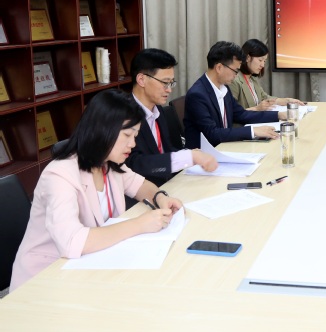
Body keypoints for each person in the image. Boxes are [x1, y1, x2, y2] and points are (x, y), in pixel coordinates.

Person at [10, 89, 184, 292]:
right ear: (103, 129)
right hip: (44, 278)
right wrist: (139, 225)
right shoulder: (60, 175)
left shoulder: (108, 162)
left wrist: (160, 197)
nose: (133, 143)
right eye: (127, 135)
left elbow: (140, 186)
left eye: (135, 135)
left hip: (90, 267)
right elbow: (72, 241)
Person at [126, 48, 218, 187]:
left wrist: (190, 155)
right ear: (141, 80)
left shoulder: (158, 110)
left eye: (171, 83)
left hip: (169, 184)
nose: (169, 89)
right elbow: (134, 164)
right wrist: (187, 157)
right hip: (143, 191)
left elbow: (167, 150)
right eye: (165, 83)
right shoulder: (123, 115)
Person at [184, 41, 286, 149]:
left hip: (226, 146)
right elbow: (212, 134)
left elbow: (241, 114)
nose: (236, 75)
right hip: (206, 153)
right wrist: (253, 131)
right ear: (219, 68)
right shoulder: (197, 95)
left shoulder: (224, 88)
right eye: (235, 71)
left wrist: (278, 115)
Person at [228, 39, 306, 111]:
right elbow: (231, 113)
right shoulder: (234, 80)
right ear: (248, 58)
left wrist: (288, 101)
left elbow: (266, 98)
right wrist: (257, 108)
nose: (262, 65)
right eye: (260, 60)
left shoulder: (252, 79)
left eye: (264, 61)